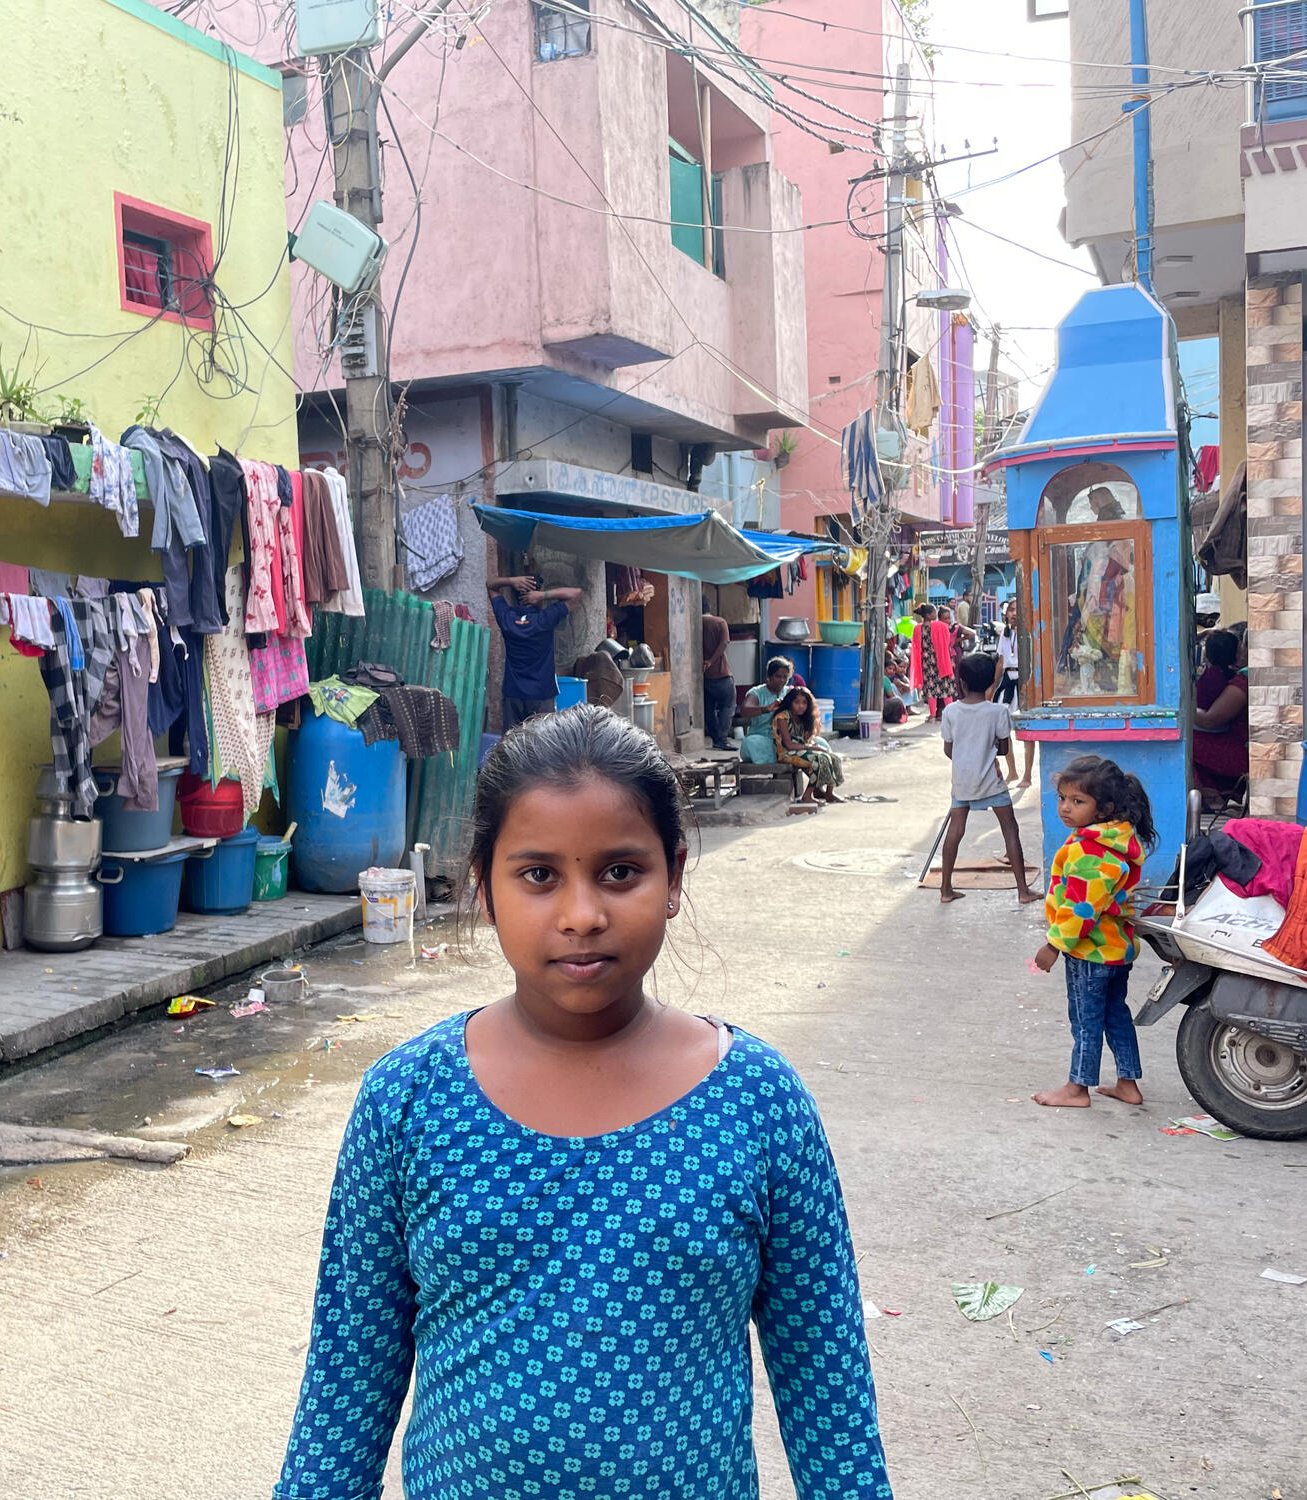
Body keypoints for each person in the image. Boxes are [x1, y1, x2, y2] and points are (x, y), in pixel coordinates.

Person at [275, 705, 893, 1500]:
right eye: (538, 875)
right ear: (484, 889)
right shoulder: (408, 1100)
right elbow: (348, 1379)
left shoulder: (756, 1102)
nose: (581, 915)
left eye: (619, 872)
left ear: (673, 876)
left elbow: (826, 1386)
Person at [1031, 756, 1156, 1110]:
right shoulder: (1117, 841)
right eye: (1062, 799)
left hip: (1089, 952)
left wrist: (1054, 945)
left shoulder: (1091, 850)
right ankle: (1127, 1083)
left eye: (1078, 801)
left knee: (1086, 1021)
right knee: (1115, 1015)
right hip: (1116, 949)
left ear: (1104, 809)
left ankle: (1077, 1088)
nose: (1066, 808)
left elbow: (1082, 908)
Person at [937, 653, 1040, 906]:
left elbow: (948, 750)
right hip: (992, 781)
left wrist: (966, 759)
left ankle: (946, 888)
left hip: (962, 780)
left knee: (956, 830)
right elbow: (1004, 749)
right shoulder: (998, 712)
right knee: (1010, 830)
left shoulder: (951, 711)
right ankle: (1023, 891)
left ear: (961, 682)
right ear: (991, 681)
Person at [488, 573, 582, 730]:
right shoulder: (545, 619)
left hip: (513, 693)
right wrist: (543, 595)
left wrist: (511, 581)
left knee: (512, 745)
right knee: (542, 745)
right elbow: (576, 593)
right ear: (536, 595)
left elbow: (490, 584)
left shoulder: (507, 619)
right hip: (541, 694)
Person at [1192, 628, 1248, 808]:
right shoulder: (1226, 676)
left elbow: (1210, 720)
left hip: (1244, 753)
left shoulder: (1242, 682)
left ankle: (1208, 796)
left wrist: (1182, 709)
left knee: (1186, 742)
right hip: (1231, 742)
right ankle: (1215, 792)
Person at [773, 685, 845, 807]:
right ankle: (807, 796)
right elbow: (788, 744)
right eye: (797, 702)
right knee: (820, 758)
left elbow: (806, 740)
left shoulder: (804, 718)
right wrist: (812, 748)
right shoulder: (782, 717)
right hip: (786, 753)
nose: (801, 706)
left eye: (804, 703)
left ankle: (828, 793)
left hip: (801, 750)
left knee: (832, 757)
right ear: (790, 702)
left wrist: (813, 747)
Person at [995, 601, 1036, 789]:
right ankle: (1012, 771)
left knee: (1026, 729)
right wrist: (992, 687)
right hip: (1007, 682)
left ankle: (1027, 775)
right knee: (1004, 729)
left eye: (1016, 610)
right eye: (1010, 610)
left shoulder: (1028, 633)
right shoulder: (1004, 634)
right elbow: (1001, 661)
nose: (1013, 614)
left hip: (1025, 681)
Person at [738, 654, 794, 764]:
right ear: (769, 676)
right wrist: (766, 709)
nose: (782, 680)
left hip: (785, 740)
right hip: (763, 739)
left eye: (785, 677)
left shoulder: (789, 692)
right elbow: (744, 710)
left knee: (819, 742)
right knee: (749, 743)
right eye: (778, 676)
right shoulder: (757, 693)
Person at [909, 604, 961, 722]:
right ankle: (950, 715)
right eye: (934, 613)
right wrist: (950, 660)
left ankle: (932, 715)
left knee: (931, 689)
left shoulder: (917, 629)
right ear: (929, 615)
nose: (935, 615)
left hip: (926, 662)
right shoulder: (941, 626)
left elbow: (917, 647)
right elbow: (946, 645)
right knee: (946, 688)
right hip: (941, 661)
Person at [701, 595, 736, 750]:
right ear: (709, 607)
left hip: (703, 676)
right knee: (728, 705)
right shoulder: (719, 622)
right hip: (721, 673)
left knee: (708, 707)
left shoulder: (695, 623)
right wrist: (711, 661)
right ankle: (722, 738)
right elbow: (724, 643)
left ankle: (715, 737)